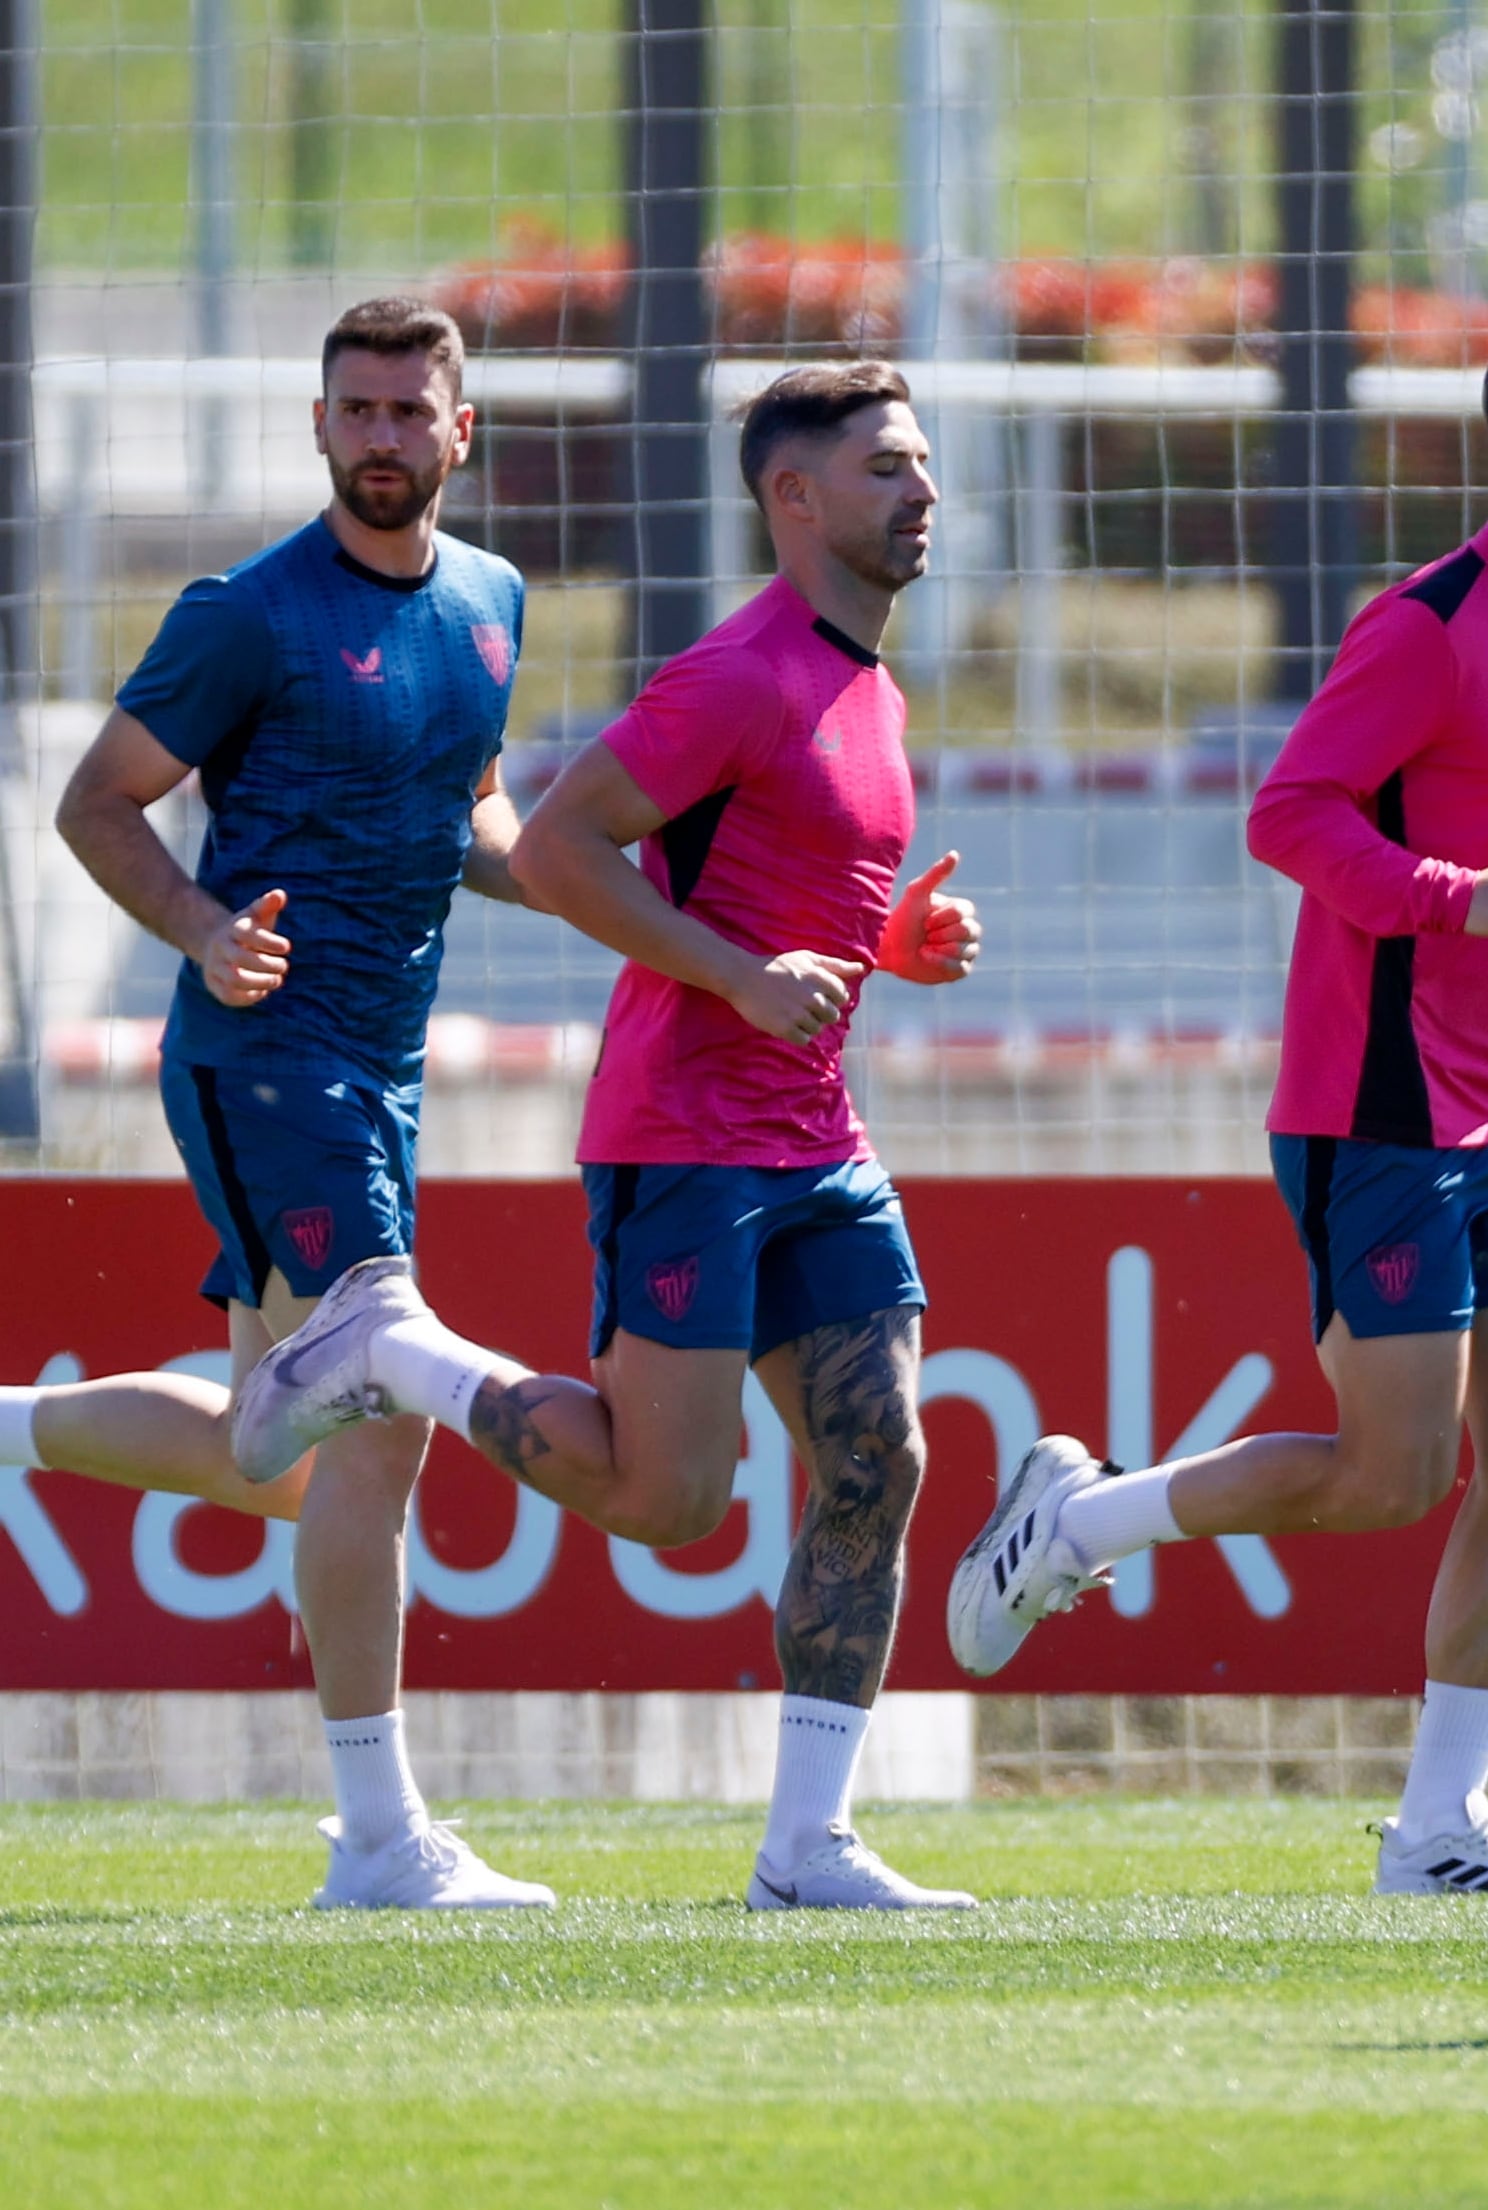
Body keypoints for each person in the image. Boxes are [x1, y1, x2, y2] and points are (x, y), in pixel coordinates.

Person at [942, 316, 1488, 1898]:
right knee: (1389, 1476)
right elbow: (1289, 813)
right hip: (1382, 1105)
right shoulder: (1427, 626)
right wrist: (1446, 896)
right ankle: (1083, 1520)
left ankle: (1439, 1826)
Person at [230, 361, 984, 1912]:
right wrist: (736, 974)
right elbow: (561, 845)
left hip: (814, 1137)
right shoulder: (741, 670)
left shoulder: (873, 685)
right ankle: (397, 1357)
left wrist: (886, 945)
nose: (923, 492)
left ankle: (806, 1843)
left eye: (923, 465)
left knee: (881, 1450)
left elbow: (777, 895)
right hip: (688, 1135)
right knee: (669, 1500)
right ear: (794, 499)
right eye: (888, 468)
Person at [40, 298, 547, 1906]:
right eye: (357, 409)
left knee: (273, 1449)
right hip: (265, 1058)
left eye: (412, 410)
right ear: (318, 426)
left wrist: (618, 895)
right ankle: (383, 1839)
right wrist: (200, 928)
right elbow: (97, 799)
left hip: (381, 1069)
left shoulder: (491, 602)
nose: (383, 436)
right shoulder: (247, 613)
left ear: (462, 432)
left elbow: (476, 811)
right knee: (383, 1417)